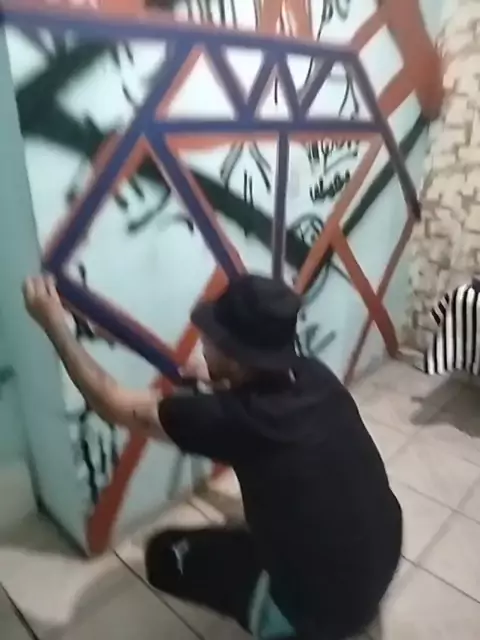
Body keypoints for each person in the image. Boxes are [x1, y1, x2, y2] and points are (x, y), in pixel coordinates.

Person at [23, 273, 402, 640]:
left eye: (211, 337)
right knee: (271, 515)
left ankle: (285, 623)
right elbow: (250, 394)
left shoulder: (232, 419)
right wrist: (215, 375)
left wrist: (54, 324)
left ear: (237, 359)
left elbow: (111, 403)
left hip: (326, 611)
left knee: (163, 555)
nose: (203, 342)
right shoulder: (314, 376)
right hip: (382, 558)